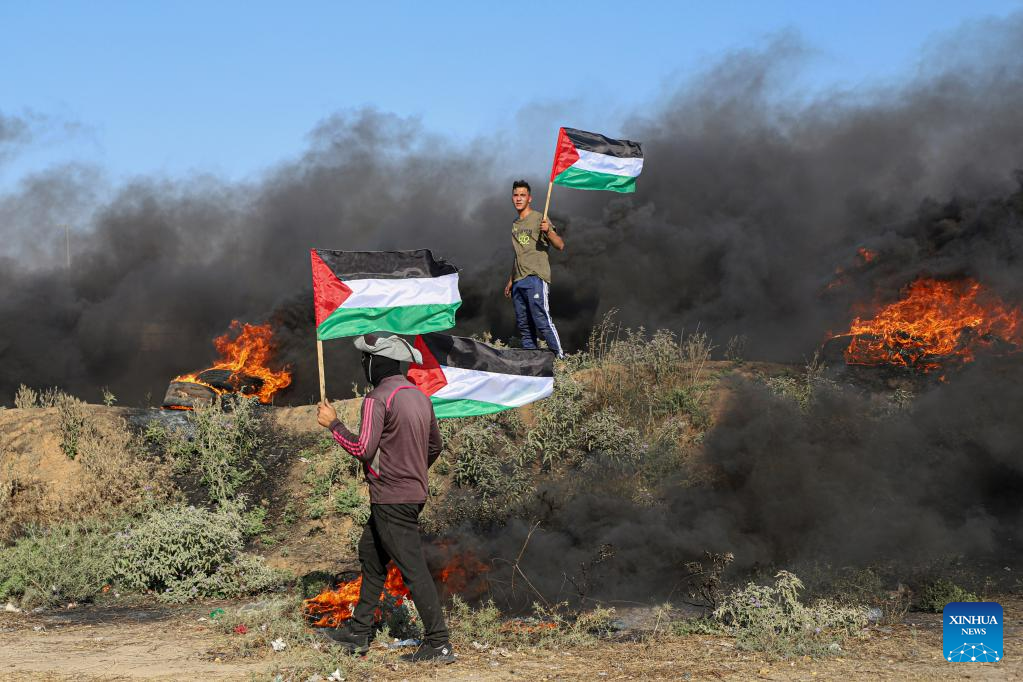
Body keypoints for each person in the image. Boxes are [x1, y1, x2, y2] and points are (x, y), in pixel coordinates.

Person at [315, 334, 454, 664]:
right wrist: (413, 471)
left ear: (375, 363)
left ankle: (439, 643)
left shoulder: (377, 399)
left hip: (391, 498)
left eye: (366, 360)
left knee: (413, 569)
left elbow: (362, 448)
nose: (364, 365)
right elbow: (435, 446)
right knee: (371, 555)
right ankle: (359, 632)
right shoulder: (419, 397)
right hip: (411, 494)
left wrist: (333, 424)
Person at [503, 179, 565, 357]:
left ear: (529, 198)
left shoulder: (539, 218)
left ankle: (560, 359)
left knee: (541, 319)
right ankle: (531, 361)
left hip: (535, 277)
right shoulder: (515, 224)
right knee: (524, 324)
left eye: (522, 195)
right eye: (516, 195)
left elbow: (560, 245)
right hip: (518, 280)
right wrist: (511, 280)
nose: (518, 198)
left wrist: (548, 231)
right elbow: (519, 253)